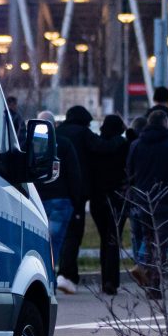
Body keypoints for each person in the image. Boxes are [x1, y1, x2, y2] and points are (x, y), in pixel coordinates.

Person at [125, 109, 168, 297]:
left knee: (148, 237)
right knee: (162, 243)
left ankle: (144, 265)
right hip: (166, 199)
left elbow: (130, 171)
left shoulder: (136, 145)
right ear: (165, 123)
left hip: (142, 199)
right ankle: (154, 281)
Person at [35, 110, 83, 294]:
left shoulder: (31, 144)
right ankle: (50, 282)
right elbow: (74, 173)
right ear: (54, 125)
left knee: (37, 243)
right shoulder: (64, 144)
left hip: (37, 200)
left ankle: (42, 281)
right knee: (54, 244)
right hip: (60, 200)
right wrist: (76, 200)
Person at [55, 106, 100, 294]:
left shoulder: (57, 133)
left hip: (51, 191)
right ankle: (67, 274)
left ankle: (53, 275)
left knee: (55, 237)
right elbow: (101, 149)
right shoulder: (85, 134)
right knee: (74, 235)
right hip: (76, 193)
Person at [88, 114, 132, 294]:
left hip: (97, 198)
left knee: (103, 239)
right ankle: (111, 280)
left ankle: (105, 277)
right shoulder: (124, 146)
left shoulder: (95, 146)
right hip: (117, 197)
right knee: (114, 238)